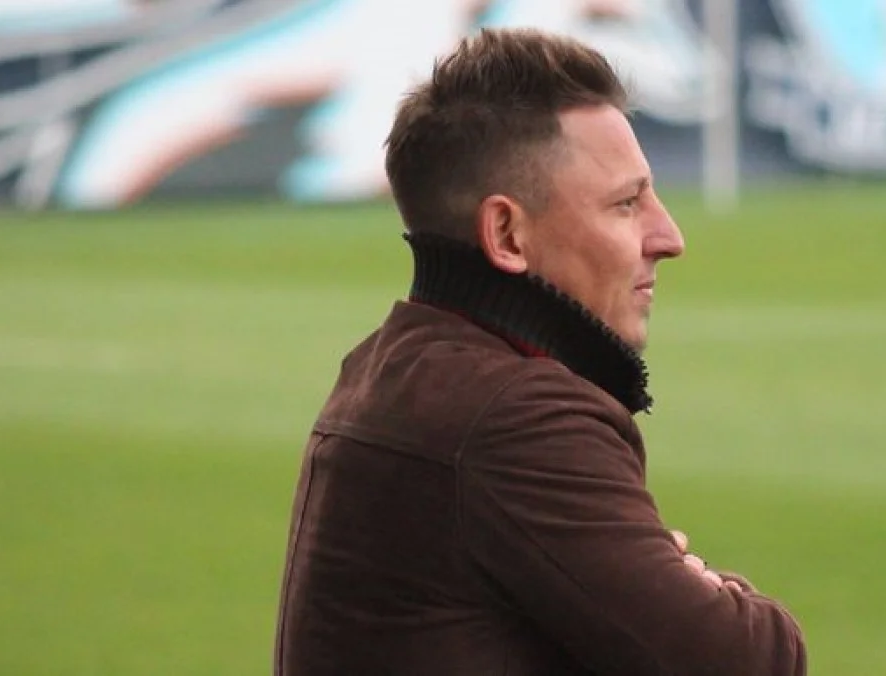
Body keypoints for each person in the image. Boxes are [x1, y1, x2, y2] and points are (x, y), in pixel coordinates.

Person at [272, 26, 808, 675]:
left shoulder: (389, 368)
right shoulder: (514, 415)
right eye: (626, 204)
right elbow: (750, 661)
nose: (669, 237)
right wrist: (708, 587)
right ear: (506, 234)